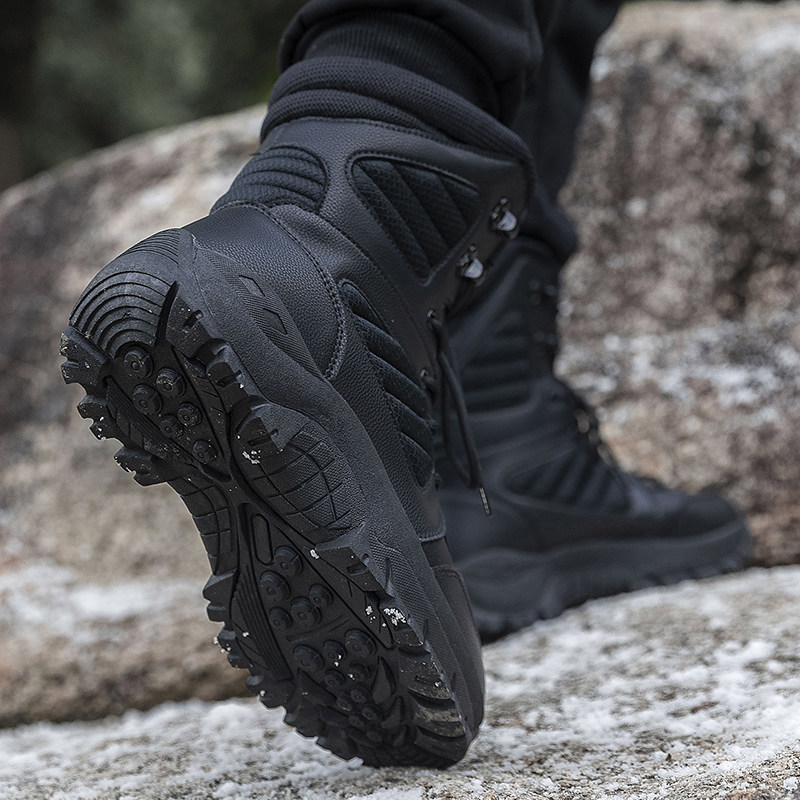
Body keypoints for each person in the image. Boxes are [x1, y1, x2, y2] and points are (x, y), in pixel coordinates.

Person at [61, 0, 749, 768]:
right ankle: (346, 201)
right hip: (343, 211)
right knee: (425, 64)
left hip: (495, 427)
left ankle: (497, 429)